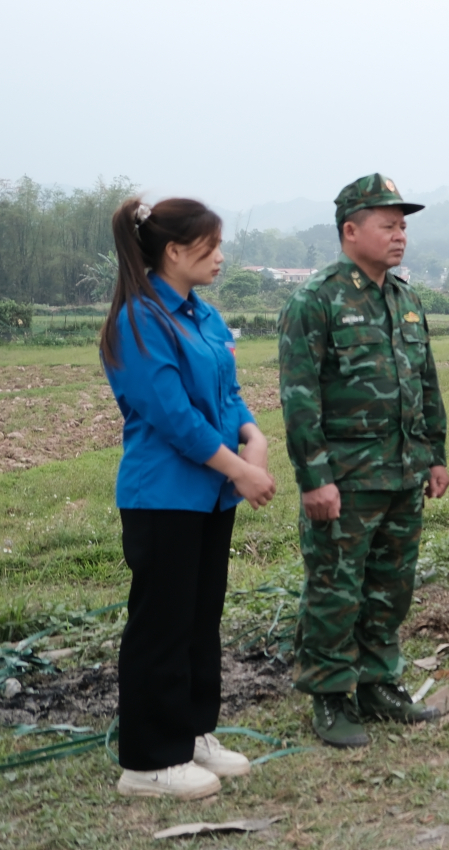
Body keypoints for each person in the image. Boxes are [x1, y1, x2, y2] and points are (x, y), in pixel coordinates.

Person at [99, 197, 274, 799]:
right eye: (211, 247)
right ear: (174, 251)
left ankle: (193, 731)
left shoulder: (204, 315)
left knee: (201, 618)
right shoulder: (140, 319)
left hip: (210, 496)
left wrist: (255, 435)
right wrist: (240, 471)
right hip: (165, 495)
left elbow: (228, 396)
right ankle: (148, 762)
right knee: (162, 624)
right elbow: (173, 416)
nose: (221, 258)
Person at [279, 174, 449, 746]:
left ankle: (379, 685)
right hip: (346, 481)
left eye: (402, 225)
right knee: (335, 589)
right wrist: (314, 478)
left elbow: (425, 384)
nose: (399, 234)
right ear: (351, 231)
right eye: (387, 224)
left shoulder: (405, 299)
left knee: (390, 587)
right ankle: (329, 696)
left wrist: (435, 455)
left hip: (403, 473)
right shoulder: (316, 300)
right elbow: (299, 399)